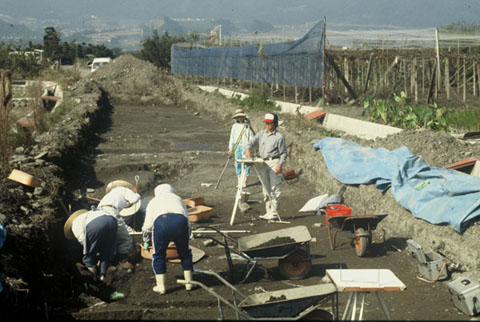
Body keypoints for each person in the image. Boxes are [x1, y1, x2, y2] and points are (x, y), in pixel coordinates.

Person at [64, 186, 141, 281]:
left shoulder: (75, 225)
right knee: (106, 249)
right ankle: (103, 274)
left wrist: (92, 252)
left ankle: (92, 275)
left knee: (90, 252)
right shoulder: (87, 214)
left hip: (99, 222)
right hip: (110, 219)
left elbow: (85, 241)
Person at [141, 183, 193, 295]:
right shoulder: (178, 198)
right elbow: (187, 221)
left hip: (161, 222)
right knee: (185, 253)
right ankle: (189, 283)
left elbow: (147, 226)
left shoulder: (153, 201)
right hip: (180, 221)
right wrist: (187, 236)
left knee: (159, 255)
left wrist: (146, 241)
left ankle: (161, 287)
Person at [245, 112, 287, 220]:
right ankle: (268, 211)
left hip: (274, 162)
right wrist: (248, 149)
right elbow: (251, 142)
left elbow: (283, 153)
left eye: (270, 123)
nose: (267, 125)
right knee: (266, 188)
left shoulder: (279, 137)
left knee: (275, 187)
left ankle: (274, 212)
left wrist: (280, 165)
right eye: (266, 123)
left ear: (274, 123)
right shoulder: (261, 134)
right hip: (264, 163)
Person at [228, 108, 255, 189]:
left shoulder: (247, 126)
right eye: (238, 117)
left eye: (241, 116)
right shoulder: (234, 126)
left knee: (247, 163)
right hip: (237, 147)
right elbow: (232, 138)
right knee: (238, 164)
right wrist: (231, 148)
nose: (240, 118)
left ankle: (245, 181)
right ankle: (239, 180)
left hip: (246, 146)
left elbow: (251, 136)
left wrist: (250, 147)